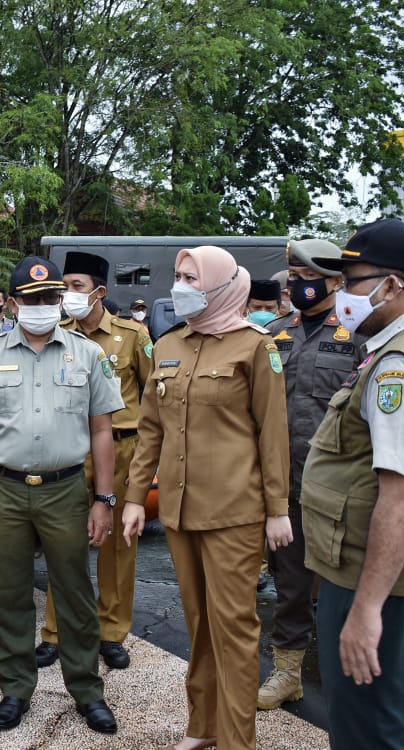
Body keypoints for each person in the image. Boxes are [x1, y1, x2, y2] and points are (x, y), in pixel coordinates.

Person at [300, 218, 404, 749]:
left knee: (371, 730)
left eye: (351, 281)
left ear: (391, 285)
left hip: (380, 583)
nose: (341, 295)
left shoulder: (403, 366)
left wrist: (365, 611)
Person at [121, 244, 292, 750]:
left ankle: (239, 740)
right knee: (198, 623)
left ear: (219, 284)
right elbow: (150, 430)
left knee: (234, 629)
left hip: (235, 513)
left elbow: (272, 435)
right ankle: (204, 726)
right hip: (178, 510)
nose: (181, 286)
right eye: (178, 276)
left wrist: (277, 510)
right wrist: (134, 498)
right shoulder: (169, 344)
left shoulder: (255, 347)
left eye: (191, 277)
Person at [0, 256, 124, 735]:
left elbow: (102, 430)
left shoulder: (86, 354)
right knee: (8, 594)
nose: (44, 306)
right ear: (12, 304)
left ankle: (88, 691)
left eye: (51, 297)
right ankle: (14, 688)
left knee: (74, 592)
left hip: (66, 490)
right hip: (4, 490)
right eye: (32, 300)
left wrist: (103, 500)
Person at [256, 238, 364, 710]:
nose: (296, 286)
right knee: (292, 586)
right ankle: (288, 674)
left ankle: (355, 677)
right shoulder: (275, 335)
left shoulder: (358, 336)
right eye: (293, 279)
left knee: (348, 585)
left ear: (336, 282)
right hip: (288, 487)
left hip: (343, 489)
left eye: (307, 279)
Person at [36, 252, 152, 672]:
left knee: (118, 546)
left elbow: (153, 397)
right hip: (68, 450)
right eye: (63, 287)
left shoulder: (132, 335)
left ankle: (111, 632)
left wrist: (147, 459)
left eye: (77, 287)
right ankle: (54, 632)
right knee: (62, 542)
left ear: (99, 292)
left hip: (121, 451)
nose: (67, 295)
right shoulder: (55, 332)